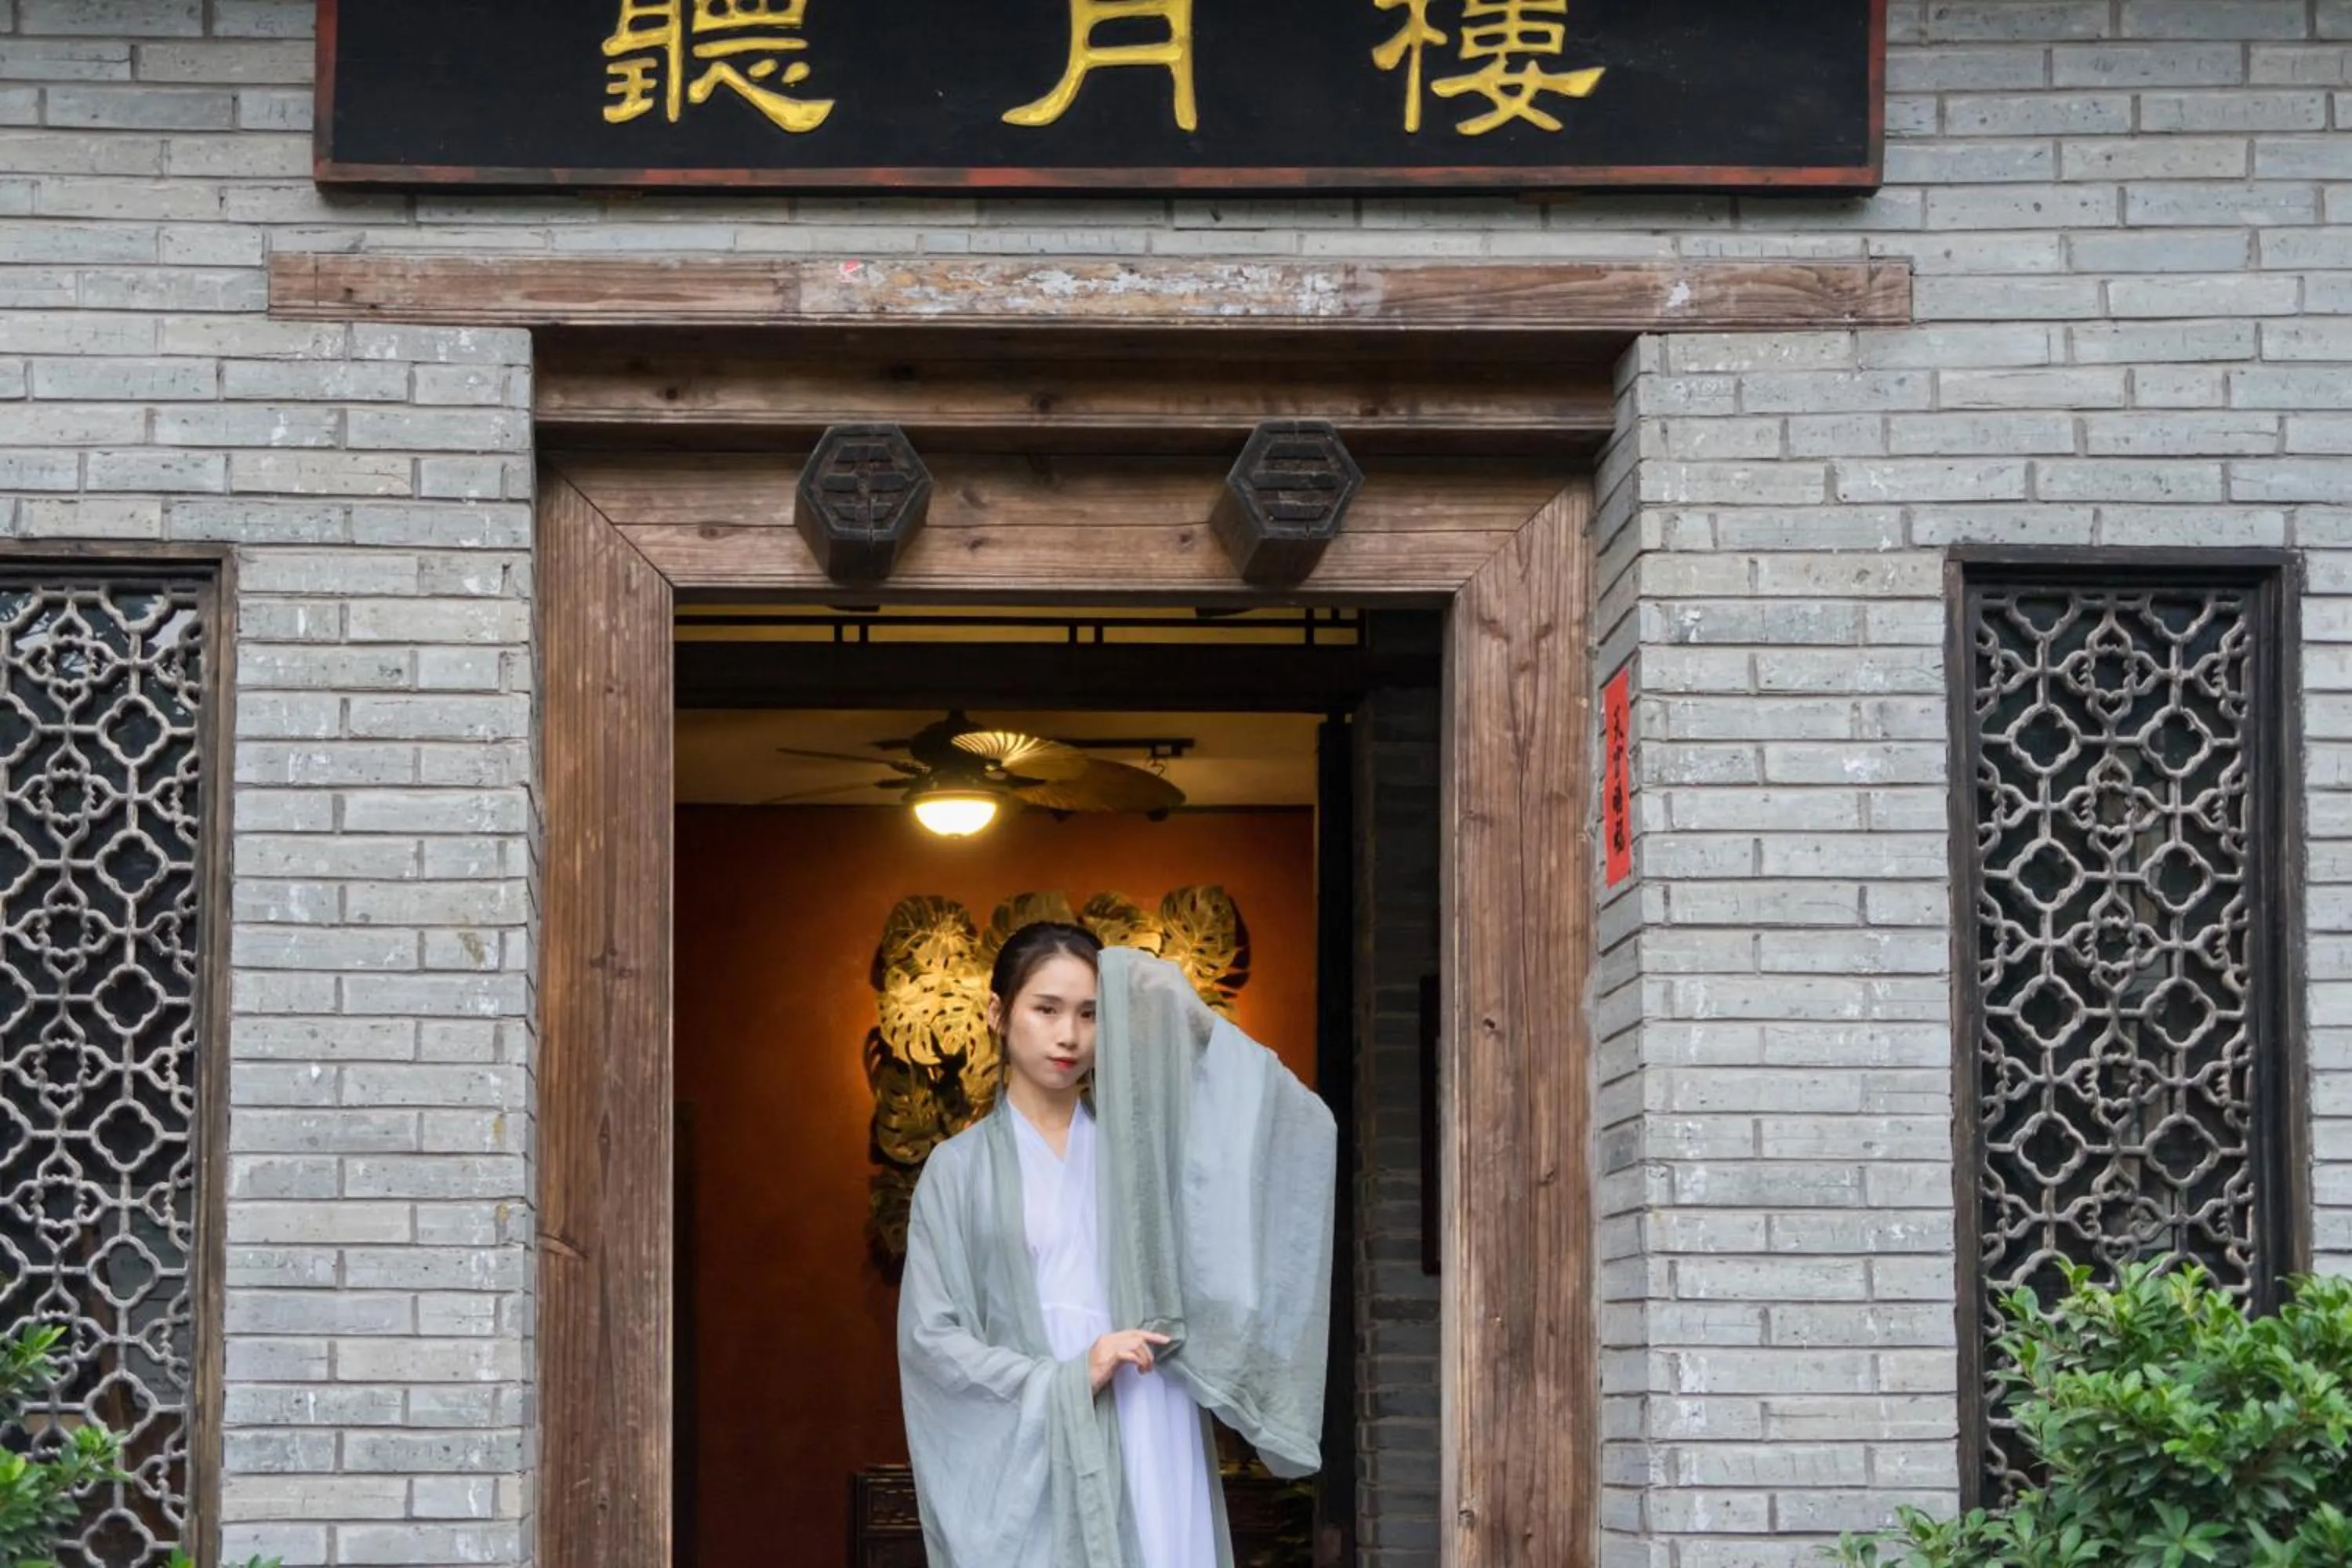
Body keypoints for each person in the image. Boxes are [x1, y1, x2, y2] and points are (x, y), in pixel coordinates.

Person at [896, 920, 1336, 1568]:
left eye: (1090, 1015)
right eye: (1045, 1009)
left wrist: (1169, 1000)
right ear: (998, 1012)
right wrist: (1070, 1377)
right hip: (1035, 1430)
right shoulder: (956, 1171)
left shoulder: (1143, 1161)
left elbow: (1287, 1124)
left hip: (1147, 1406)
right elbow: (932, 1341)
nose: (1068, 1035)